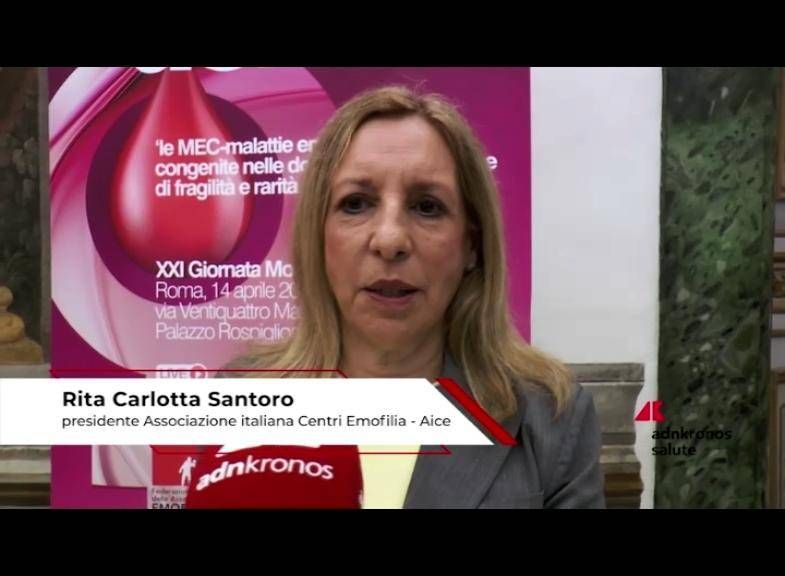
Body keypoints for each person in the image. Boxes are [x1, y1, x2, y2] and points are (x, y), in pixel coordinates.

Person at [224, 85, 605, 509]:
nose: (390, 240)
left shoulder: (550, 417)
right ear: (318, 235)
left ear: (471, 245)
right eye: (356, 204)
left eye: (427, 207)